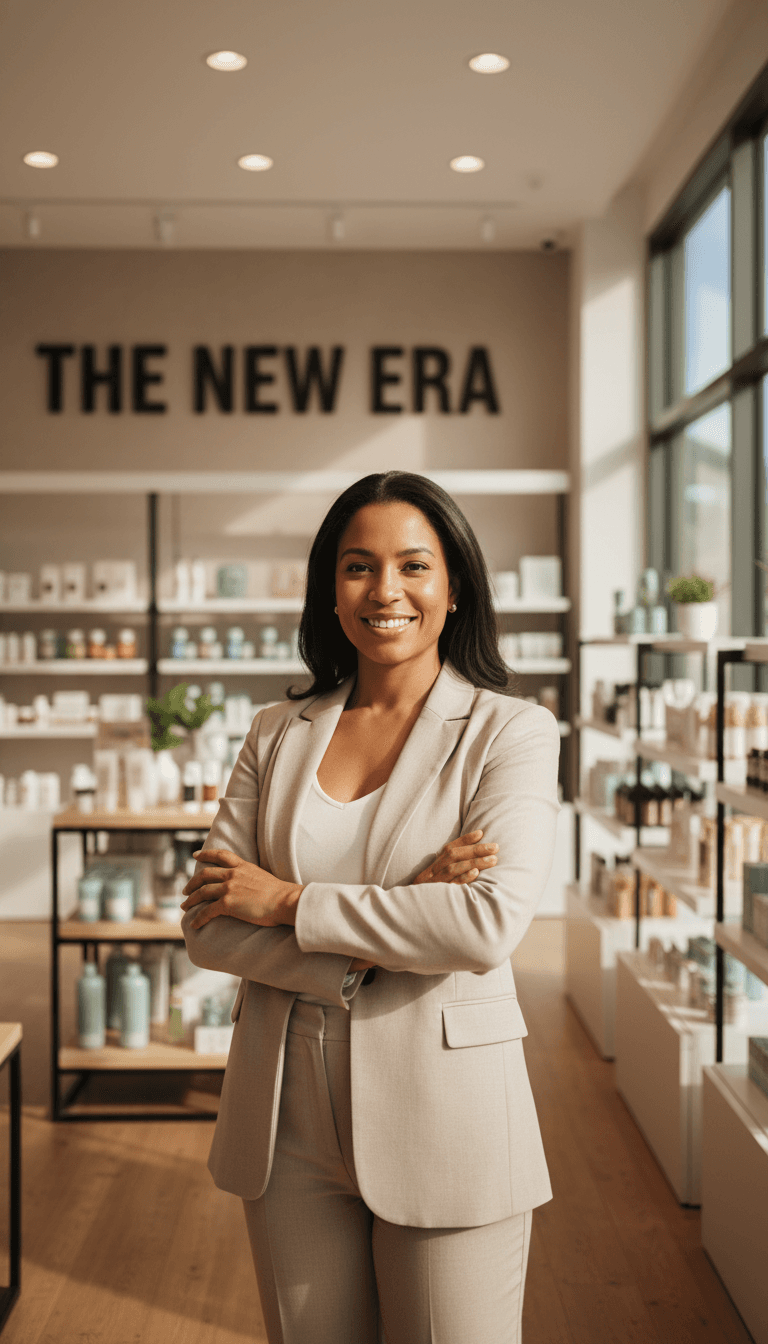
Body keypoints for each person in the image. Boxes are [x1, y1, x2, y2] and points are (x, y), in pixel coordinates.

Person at [180, 470, 560, 1344]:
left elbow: (485, 923)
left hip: (449, 1109)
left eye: (413, 566)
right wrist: (396, 918)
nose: (386, 591)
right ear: (330, 587)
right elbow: (208, 926)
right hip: (282, 1123)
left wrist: (286, 902)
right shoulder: (275, 733)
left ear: (454, 585)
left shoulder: (512, 733)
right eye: (358, 567)